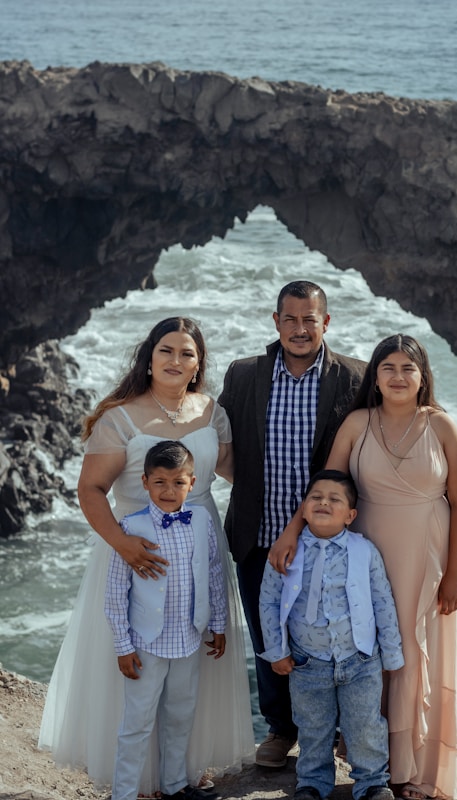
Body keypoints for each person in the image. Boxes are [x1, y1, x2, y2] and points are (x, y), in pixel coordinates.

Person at [39, 317, 255, 794]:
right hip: (134, 547)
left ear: (198, 364)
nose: (176, 360)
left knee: (189, 681)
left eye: (187, 353)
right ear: (149, 358)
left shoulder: (212, 413)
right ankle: (133, 781)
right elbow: (90, 489)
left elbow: (237, 472)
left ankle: (181, 773)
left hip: (199, 541)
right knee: (138, 669)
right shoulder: (119, 417)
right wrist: (123, 545)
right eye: (166, 350)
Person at [270, 334, 457, 800]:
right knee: (374, 652)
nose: (398, 376)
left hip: (427, 557)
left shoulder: (442, 426)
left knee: (417, 650)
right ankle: (379, 769)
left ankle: (420, 771)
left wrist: (454, 575)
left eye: (408, 368)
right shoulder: (357, 423)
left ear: (422, 376)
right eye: (388, 367)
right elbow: (326, 487)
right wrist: (291, 532)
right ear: (375, 376)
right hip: (364, 556)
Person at [218, 280, 367, 767]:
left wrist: (454, 494)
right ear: (276, 321)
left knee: (333, 635)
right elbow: (213, 434)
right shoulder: (244, 374)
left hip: (328, 538)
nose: (300, 329)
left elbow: (412, 413)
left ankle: (339, 731)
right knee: (269, 637)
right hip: (258, 533)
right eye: (290, 319)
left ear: (326, 322)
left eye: (310, 319)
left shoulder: (355, 377)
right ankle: (281, 730)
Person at [259, 470, 404, 800]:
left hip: (360, 660)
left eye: (334, 499)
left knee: (365, 725)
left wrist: (391, 653)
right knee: (313, 726)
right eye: (316, 497)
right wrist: (277, 651)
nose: (323, 502)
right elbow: (269, 601)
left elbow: (382, 600)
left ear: (350, 515)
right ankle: (312, 783)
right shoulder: (286, 551)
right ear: (304, 508)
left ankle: (372, 783)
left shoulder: (364, 551)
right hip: (307, 661)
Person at [106, 440, 226, 800]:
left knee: (180, 715)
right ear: (145, 482)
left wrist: (218, 623)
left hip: (188, 637)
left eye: (178, 482)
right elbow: (116, 591)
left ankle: (174, 786)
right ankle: (124, 794)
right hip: (146, 642)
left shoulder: (202, 520)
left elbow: (214, 572)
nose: (169, 491)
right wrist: (123, 645)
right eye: (159, 482)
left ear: (192, 483)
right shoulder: (132, 527)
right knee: (137, 722)